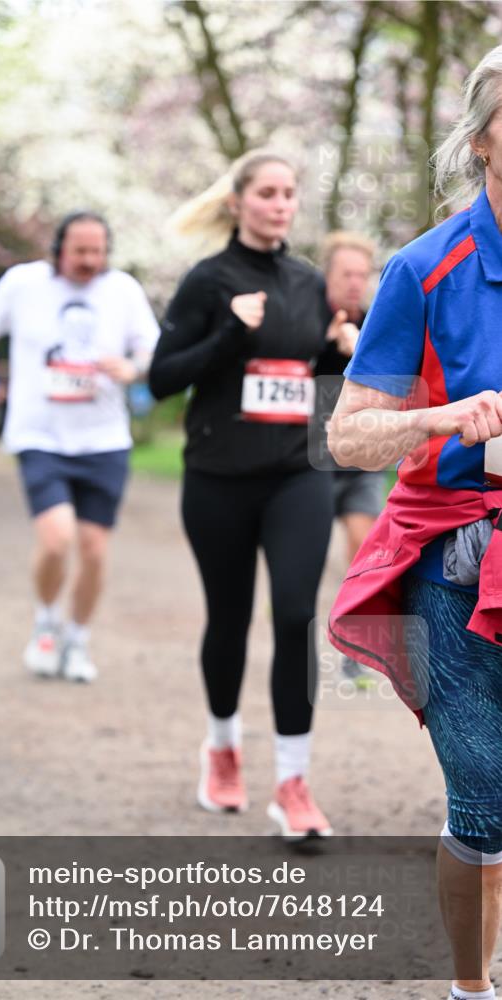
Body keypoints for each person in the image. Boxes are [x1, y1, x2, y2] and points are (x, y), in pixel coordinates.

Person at [327, 46, 502, 1000]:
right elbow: (346, 437)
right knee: (485, 798)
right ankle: (470, 988)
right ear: (481, 143)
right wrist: (436, 418)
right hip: (454, 560)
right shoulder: (424, 268)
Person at [149, 150, 354, 839]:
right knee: (230, 618)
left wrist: (337, 353)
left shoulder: (308, 282)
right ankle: (222, 747)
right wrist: (229, 331)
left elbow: (311, 380)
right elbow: (161, 378)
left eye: (288, 193)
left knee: (295, 614)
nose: (280, 204)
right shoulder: (207, 281)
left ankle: (293, 783)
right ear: (238, 202)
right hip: (218, 479)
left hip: (297, 474)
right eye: (266, 192)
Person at [0, 211, 160, 683]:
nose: (89, 260)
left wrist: (133, 369)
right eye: (79, 251)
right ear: (58, 250)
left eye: (98, 252)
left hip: (104, 440)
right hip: (40, 436)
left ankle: (78, 640)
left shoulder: (123, 290)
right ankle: (46, 622)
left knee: (94, 549)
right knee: (56, 538)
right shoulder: (22, 283)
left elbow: (152, 351)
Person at [314, 231, 386, 686]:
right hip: (309, 460)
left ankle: (353, 653)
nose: (356, 283)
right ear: (328, 277)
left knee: (362, 548)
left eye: (362, 274)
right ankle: (291, 603)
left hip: (360, 460)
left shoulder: (379, 320)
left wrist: (360, 352)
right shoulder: (305, 318)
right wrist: (323, 344)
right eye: (347, 274)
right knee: (302, 554)